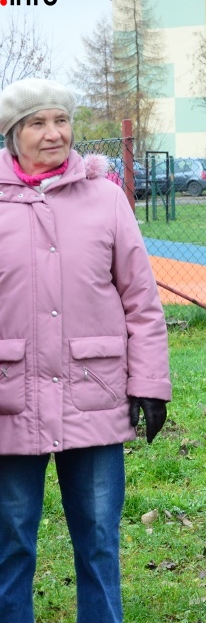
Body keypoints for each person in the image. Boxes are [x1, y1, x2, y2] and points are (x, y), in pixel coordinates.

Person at [0, 78, 171, 623]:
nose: (54, 133)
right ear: (12, 133)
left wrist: (149, 383)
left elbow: (141, 300)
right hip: (9, 398)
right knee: (10, 543)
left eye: (61, 120)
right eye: (37, 123)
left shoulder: (106, 198)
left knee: (99, 541)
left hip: (93, 394)